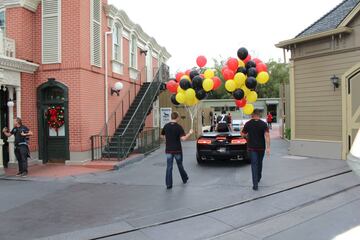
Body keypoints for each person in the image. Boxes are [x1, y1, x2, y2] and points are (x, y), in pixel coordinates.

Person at [161, 112, 193, 189]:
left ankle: (168, 184)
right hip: (177, 150)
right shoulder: (179, 127)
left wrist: (166, 140)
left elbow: (162, 135)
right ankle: (184, 178)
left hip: (168, 150)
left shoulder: (166, 126)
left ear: (171, 117)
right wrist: (190, 133)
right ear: (177, 117)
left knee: (169, 167)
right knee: (180, 165)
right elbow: (183, 139)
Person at [241, 109, 270, 191]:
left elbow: (242, 134)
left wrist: (246, 137)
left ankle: (255, 184)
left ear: (252, 115)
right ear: (259, 115)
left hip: (252, 148)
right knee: (259, 163)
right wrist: (268, 148)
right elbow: (267, 136)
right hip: (261, 148)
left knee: (254, 164)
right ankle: (258, 177)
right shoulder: (264, 124)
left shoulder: (248, 124)